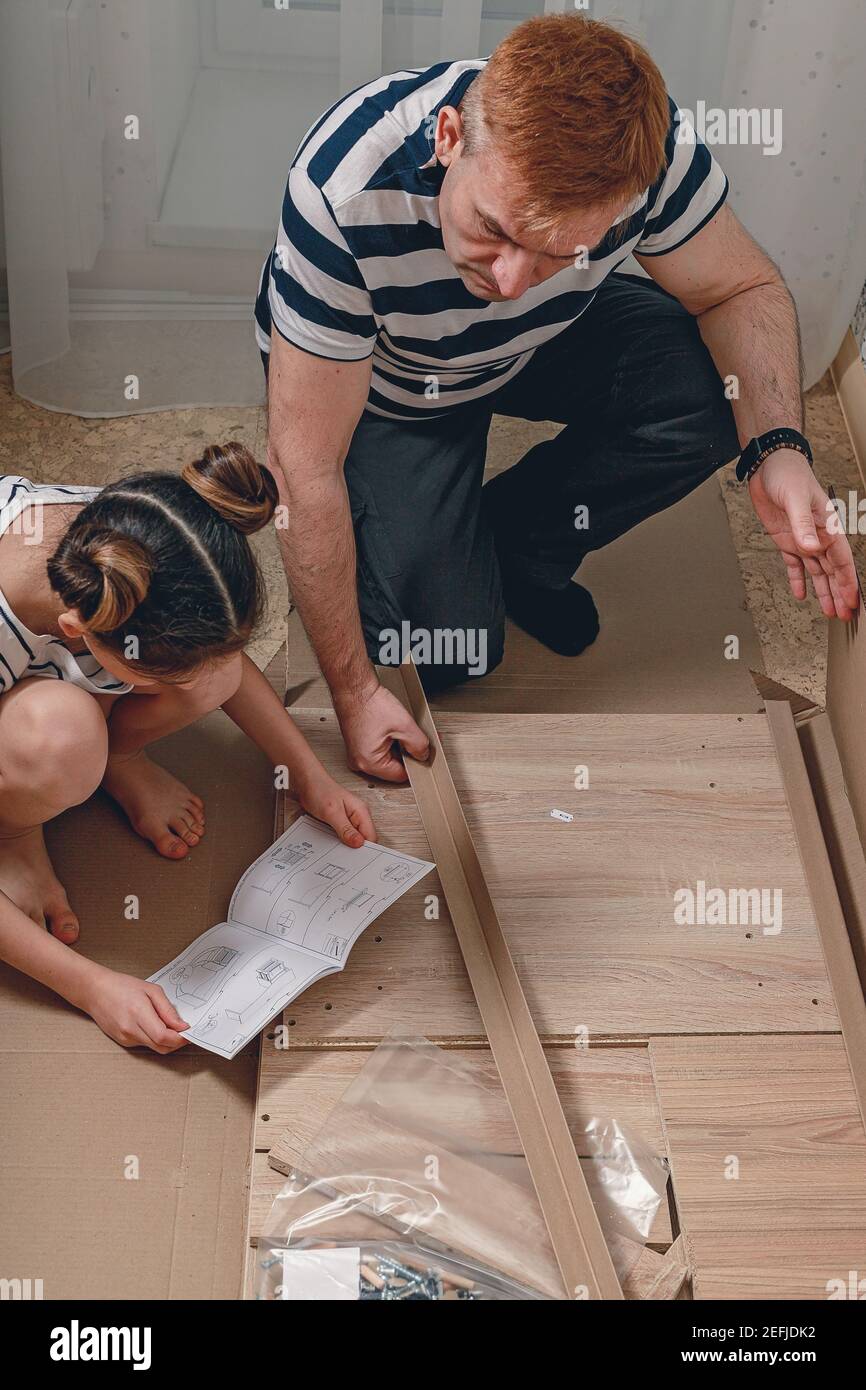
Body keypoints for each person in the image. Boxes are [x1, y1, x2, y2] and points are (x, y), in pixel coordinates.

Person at [257, 12, 857, 785]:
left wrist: (779, 450)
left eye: (559, 251)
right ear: (448, 138)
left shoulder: (646, 155)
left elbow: (743, 288)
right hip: (387, 381)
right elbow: (303, 468)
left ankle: (523, 541)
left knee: (722, 394)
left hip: (539, 344)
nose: (507, 282)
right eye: (492, 230)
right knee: (447, 652)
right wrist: (354, 691)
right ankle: (452, 550)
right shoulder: (340, 190)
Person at [0, 445, 375, 1052]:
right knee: (61, 738)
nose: (184, 692)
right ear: (80, 630)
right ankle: (15, 832)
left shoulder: (131, 542)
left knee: (213, 671)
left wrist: (309, 775)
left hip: (47, 663)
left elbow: (222, 666)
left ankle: (115, 760)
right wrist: (89, 986)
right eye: (158, 677)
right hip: (35, 697)